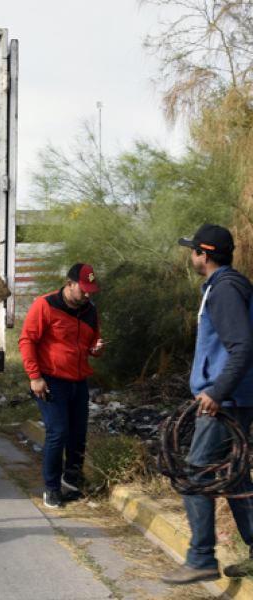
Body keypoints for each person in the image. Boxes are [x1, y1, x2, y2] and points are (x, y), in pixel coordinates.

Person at [161, 224, 253, 585]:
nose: (192, 256)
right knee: (236, 475)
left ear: (205, 254)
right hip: (234, 397)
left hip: (224, 401)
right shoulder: (228, 285)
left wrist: (216, 393)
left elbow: (242, 347)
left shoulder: (224, 290)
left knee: (196, 472)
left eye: (194, 251)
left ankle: (201, 558)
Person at [18, 264, 106, 509]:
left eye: (91, 291)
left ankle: (73, 479)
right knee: (58, 433)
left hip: (79, 382)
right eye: (83, 290)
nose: (88, 295)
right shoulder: (44, 305)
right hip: (51, 381)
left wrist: (97, 349)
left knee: (78, 435)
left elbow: (93, 343)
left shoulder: (91, 311)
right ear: (69, 284)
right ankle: (52, 488)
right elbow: (26, 341)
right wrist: (35, 377)